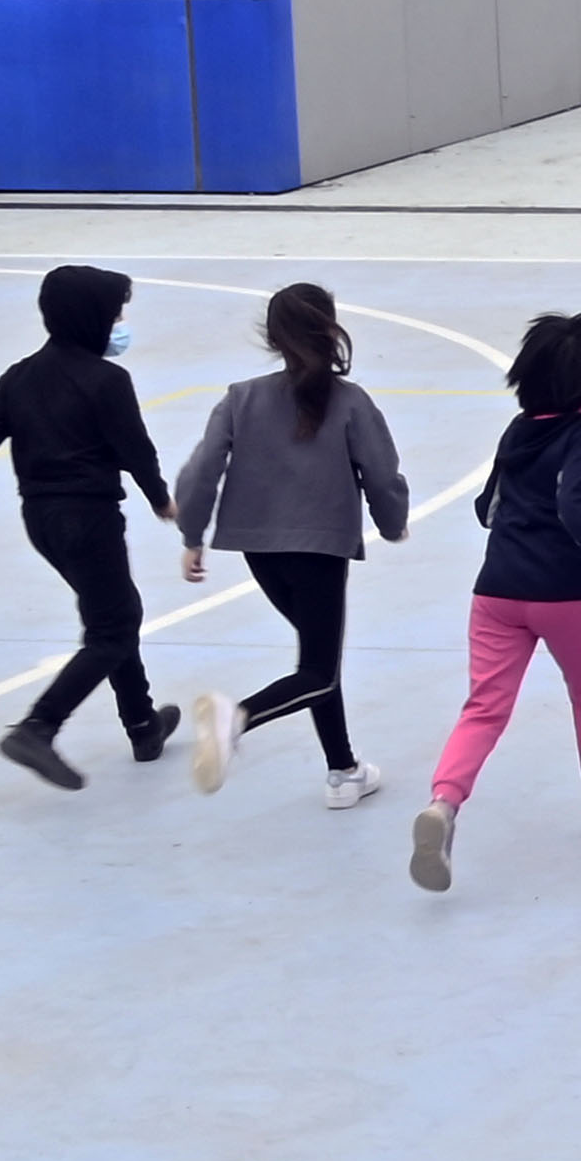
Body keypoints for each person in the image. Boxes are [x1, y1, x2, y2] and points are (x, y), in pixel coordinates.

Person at [407, 310, 581, 890]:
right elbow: (575, 506)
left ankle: (443, 804)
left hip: (496, 590)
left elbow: (486, 507)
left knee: (484, 707)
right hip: (565, 594)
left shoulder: (517, 430)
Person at [170, 283, 410, 811]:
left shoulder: (241, 397)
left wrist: (192, 535)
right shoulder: (350, 400)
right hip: (320, 549)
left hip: (260, 549)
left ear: (272, 338)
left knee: (316, 662)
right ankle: (239, 718)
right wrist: (392, 523)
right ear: (329, 329)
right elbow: (382, 474)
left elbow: (202, 468)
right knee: (319, 671)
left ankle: (343, 770)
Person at [0, 261, 185, 792]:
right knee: (112, 627)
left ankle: (143, 726)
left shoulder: (18, 376)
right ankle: (39, 726)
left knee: (115, 611)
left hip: (41, 521)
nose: (119, 321)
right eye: (115, 311)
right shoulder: (108, 380)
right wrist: (161, 500)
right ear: (92, 317)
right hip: (90, 518)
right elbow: (136, 451)